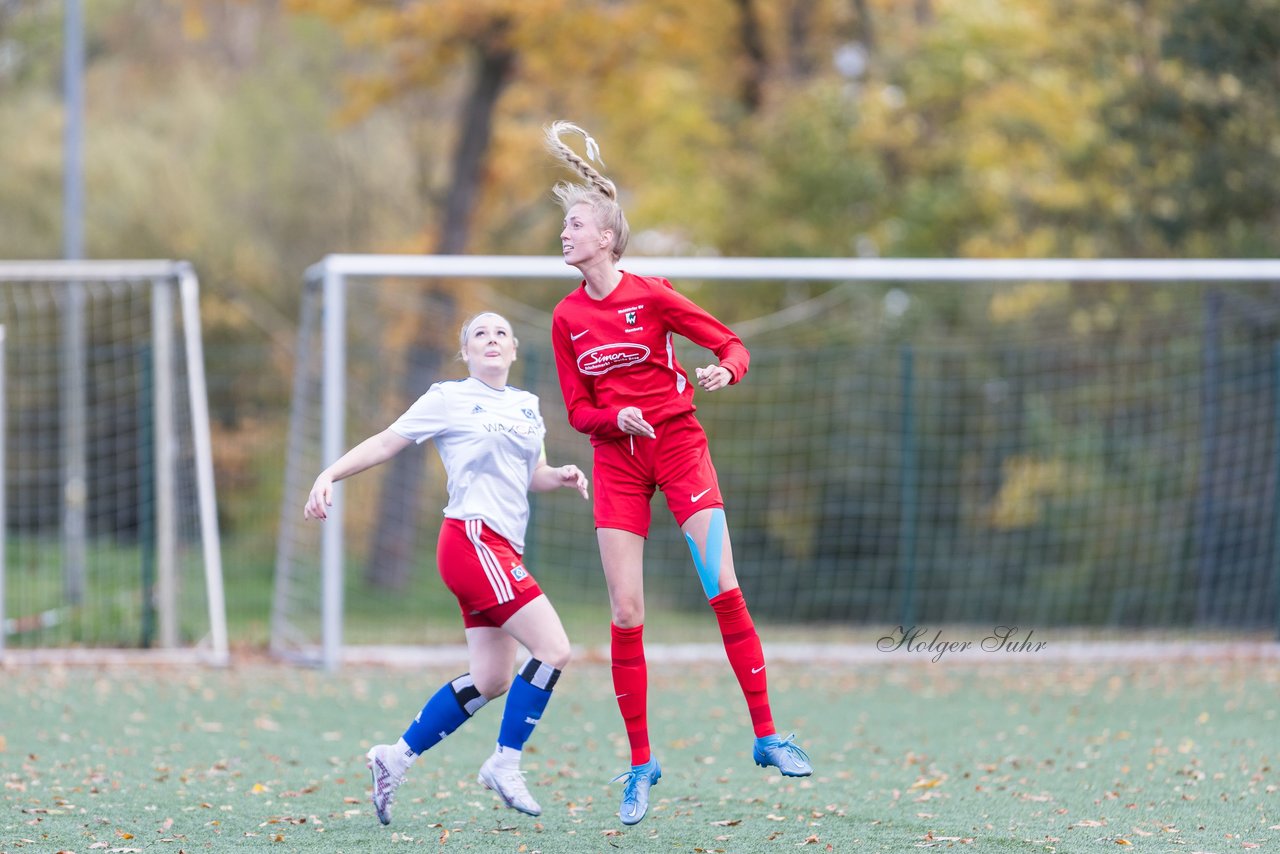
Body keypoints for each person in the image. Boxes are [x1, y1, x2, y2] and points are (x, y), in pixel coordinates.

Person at [542, 121, 813, 827]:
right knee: (626, 613)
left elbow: (730, 341)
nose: (563, 234)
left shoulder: (653, 294)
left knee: (721, 585)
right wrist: (613, 422)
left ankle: (766, 736)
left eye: (573, 225)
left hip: (679, 447)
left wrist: (726, 368)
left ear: (607, 237)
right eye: (563, 226)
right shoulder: (566, 317)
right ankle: (641, 764)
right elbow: (576, 410)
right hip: (617, 463)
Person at [303, 312, 588, 826]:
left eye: (501, 332)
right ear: (467, 352)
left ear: (515, 348)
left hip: (502, 547)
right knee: (553, 648)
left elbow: (532, 475)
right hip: (473, 539)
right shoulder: (447, 397)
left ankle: (395, 757)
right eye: (480, 333)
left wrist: (559, 475)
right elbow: (387, 441)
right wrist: (330, 473)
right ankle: (505, 762)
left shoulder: (528, 406)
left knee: (493, 677)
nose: (492, 339)